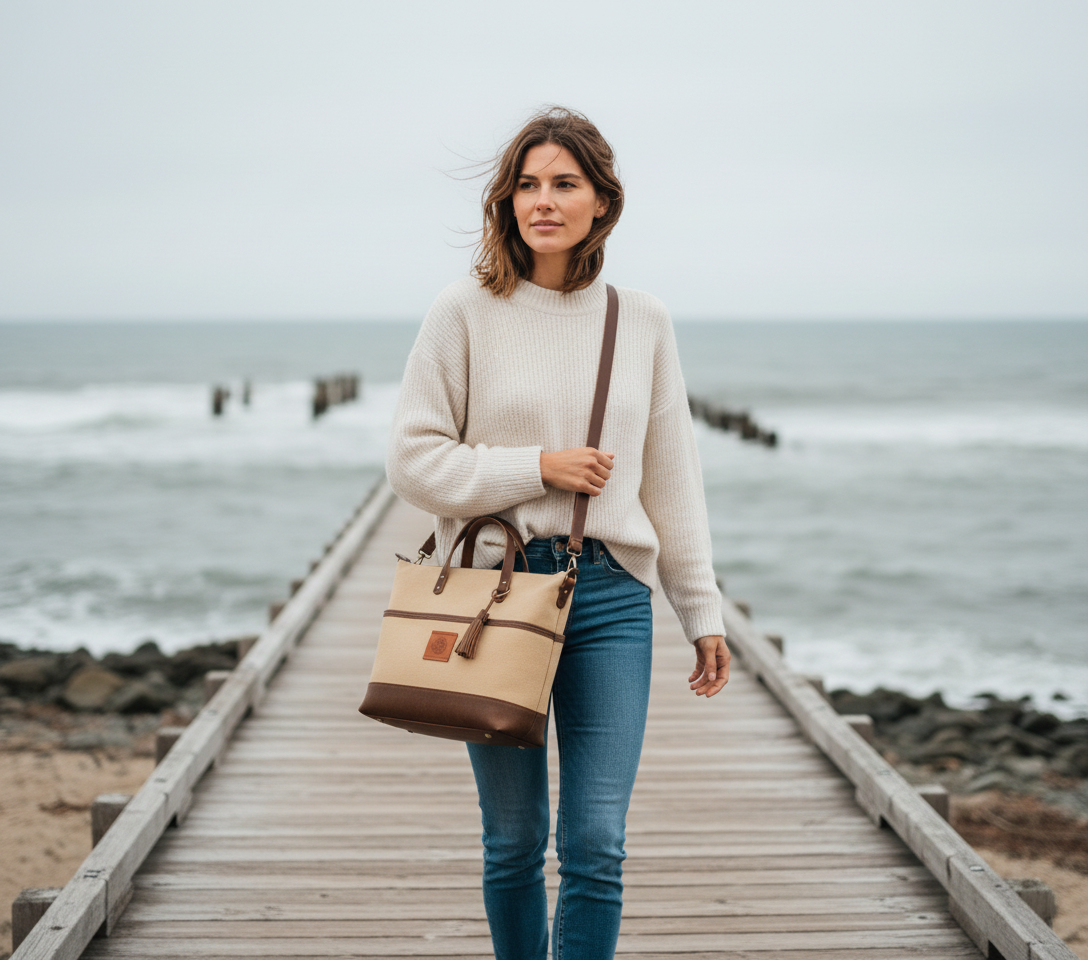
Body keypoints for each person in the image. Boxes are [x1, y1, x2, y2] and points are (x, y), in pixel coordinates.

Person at [387, 106, 730, 960]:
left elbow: (673, 477)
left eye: (565, 184)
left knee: (596, 845)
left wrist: (704, 611)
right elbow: (413, 462)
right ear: (506, 203)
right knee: (511, 841)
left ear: (602, 203)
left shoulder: (640, 318)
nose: (544, 200)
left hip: (611, 595)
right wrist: (537, 466)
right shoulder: (463, 310)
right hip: (492, 597)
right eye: (527, 185)